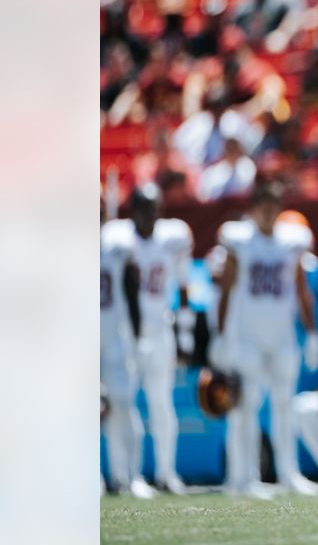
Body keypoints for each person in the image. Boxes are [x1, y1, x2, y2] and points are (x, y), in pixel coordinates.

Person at [211, 181, 318, 497]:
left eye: (273, 205)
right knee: (245, 406)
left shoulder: (291, 240)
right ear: (253, 208)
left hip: (282, 335)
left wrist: (312, 332)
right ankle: (243, 477)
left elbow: (302, 289)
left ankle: (289, 473)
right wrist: (221, 335)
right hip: (248, 336)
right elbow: (227, 289)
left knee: (284, 405)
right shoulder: (240, 241)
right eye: (263, 205)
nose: (268, 212)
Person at [122, 184, 193, 494]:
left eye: (154, 209)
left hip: (161, 328)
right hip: (126, 332)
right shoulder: (118, 239)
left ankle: (166, 472)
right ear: (133, 211)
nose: (150, 216)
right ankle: (130, 475)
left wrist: (186, 332)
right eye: (144, 209)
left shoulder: (173, 237)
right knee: (126, 404)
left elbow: (184, 284)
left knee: (161, 403)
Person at [100, 206, 153, 499]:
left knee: (123, 403)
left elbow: (131, 289)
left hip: (113, 335)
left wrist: (137, 336)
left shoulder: (116, 243)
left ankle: (131, 476)